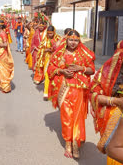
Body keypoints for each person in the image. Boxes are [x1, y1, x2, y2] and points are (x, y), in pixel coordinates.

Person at [47, 30, 95, 159]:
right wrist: (62, 71)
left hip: (79, 90)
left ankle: (75, 143)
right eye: (71, 40)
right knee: (67, 117)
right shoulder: (59, 53)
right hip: (64, 89)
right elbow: (50, 68)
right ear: (66, 40)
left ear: (79, 41)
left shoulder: (84, 54)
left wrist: (81, 68)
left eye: (76, 40)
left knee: (77, 117)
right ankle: (68, 143)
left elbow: (91, 70)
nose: (73, 43)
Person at [35, 26, 61, 99]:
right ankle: (46, 93)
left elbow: (60, 49)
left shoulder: (58, 39)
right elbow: (41, 48)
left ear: (54, 32)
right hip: (47, 59)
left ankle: (54, 93)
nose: (50, 35)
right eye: (48, 33)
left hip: (56, 60)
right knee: (47, 74)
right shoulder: (45, 38)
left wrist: (51, 50)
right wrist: (44, 50)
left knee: (54, 76)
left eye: (51, 33)